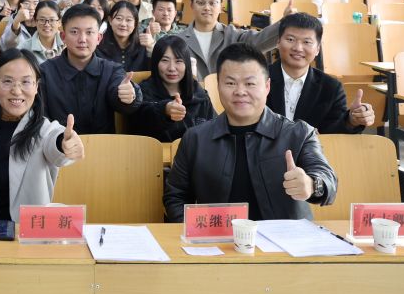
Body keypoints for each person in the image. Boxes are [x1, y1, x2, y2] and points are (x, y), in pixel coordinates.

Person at [164, 43, 337, 222]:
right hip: (217, 237)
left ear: (267, 86)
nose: (240, 92)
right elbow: (175, 197)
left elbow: (328, 181)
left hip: (281, 238)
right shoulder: (195, 139)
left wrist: (311, 184)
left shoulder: (299, 134)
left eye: (250, 83)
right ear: (218, 86)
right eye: (230, 83)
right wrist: (194, 229)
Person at [0, 49, 85, 222]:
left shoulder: (45, 130)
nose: (17, 91)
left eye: (26, 82)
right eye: (7, 81)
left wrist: (63, 144)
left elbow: (55, 142)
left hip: (29, 235)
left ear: (36, 86)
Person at [40, 4, 141, 135]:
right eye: (74, 32)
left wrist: (131, 96)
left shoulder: (111, 70)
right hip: (60, 145)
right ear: (63, 37)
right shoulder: (45, 72)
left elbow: (122, 99)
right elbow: (41, 119)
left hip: (103, 145)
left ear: (98, 38)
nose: (82, 39)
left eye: (89, 32)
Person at [268, 13, 375, 134]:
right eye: (290, 40)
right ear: (278, 42)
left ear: (318, 49)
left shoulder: (331, 88)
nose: (298, 48)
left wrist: (351, 120)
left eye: (307, 42)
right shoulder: (258, 79)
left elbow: (333, 131)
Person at [176, 0, 290, 82]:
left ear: (221, 7)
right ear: (192, 6)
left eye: (212, 3)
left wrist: (285, 23)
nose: (207, 7)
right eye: (200, 3)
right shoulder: (178, 41)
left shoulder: (232, 35)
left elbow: (261, 40)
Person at [131, 36, 216, 142]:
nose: (171, 68)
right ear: (155, 63)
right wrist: (164, 110)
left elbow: (214, 129)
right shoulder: (142, 92)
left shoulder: (199, 94)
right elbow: (138, 122)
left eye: (178, 61)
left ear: (187, 64)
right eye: (165, 60)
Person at [96, 1, 150, 72]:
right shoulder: (98, 46)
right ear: (110, 20)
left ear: (135, 23)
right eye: (119, 18)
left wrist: (151, 47)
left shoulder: (143, 45)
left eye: (128, 20)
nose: (123, 24)